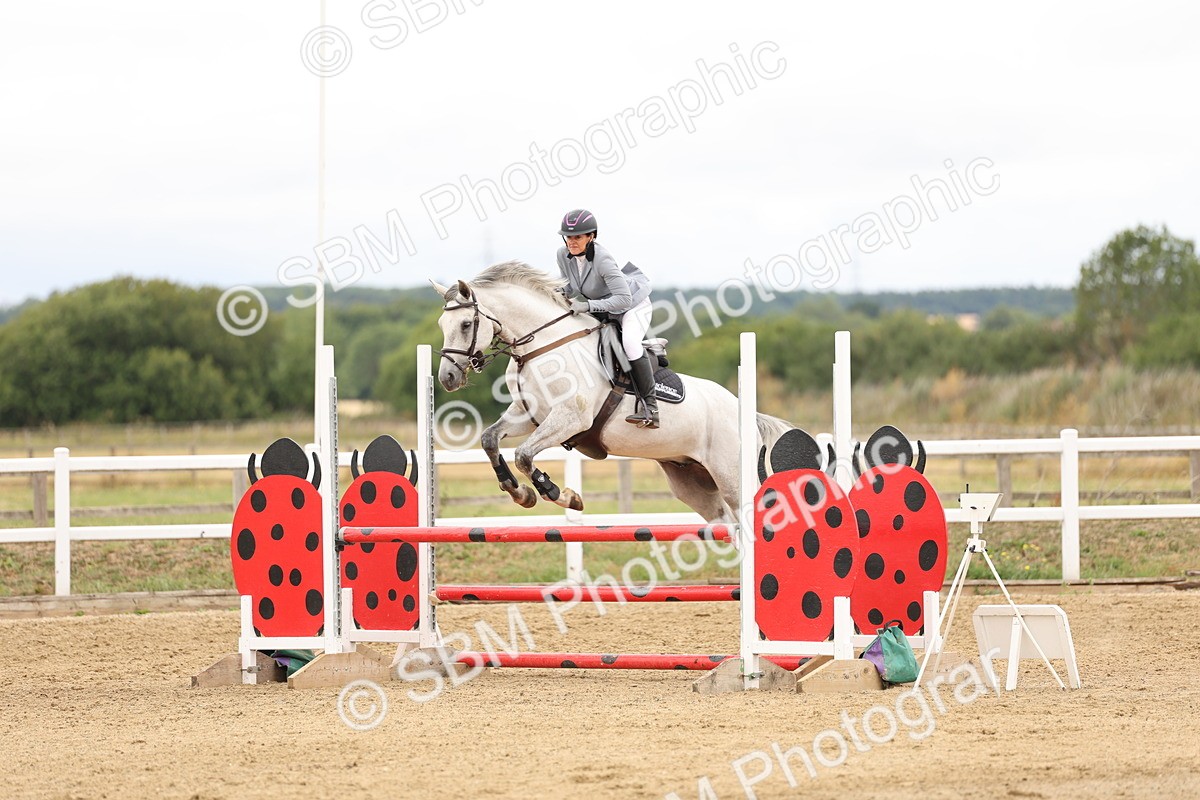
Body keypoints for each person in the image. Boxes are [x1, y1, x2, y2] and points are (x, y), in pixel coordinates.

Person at [555, 208, 659, 428]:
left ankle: (651, 407)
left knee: (630, 343)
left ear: (591, 236)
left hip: (634, 304)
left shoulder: (603, 259)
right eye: (568, 237)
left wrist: (588, 305)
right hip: (603, 307)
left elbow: (623, 300)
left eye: (578, 237)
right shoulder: (562, 255)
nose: (571, 242)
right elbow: (567, 287)